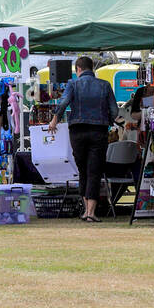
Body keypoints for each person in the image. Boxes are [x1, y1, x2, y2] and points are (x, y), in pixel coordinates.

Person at [48, 55, 118, 222]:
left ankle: (85, 209)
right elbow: (114, 110)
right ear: (92, 68)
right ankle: (91, 213)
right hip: (98, 131)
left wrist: (55, 118)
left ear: (78, 69)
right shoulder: (105, 85)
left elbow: (64, 102)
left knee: (82, 170)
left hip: (77, 131)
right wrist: (106, 122)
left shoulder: (73, 84)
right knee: (95, 170)